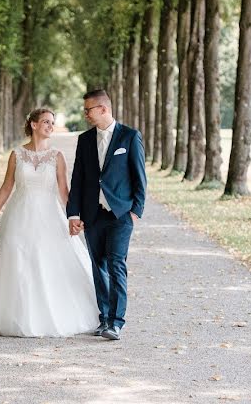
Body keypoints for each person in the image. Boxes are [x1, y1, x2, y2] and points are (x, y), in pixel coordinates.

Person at [0, 108, 99, 337]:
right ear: (34, 125)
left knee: (49, 261)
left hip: (49, 216)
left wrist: (74, 216)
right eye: (46, 122)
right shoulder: (16, 155)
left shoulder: (56, 156)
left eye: (52, 122)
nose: (50, 126)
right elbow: (7, 187)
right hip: (19, 215)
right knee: (17, 260)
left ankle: (50, 315)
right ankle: (15, 316)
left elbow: (64, 191)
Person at [67, 89, 146, 341]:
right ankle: (104, 318)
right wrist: (73, 214)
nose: (86, 114)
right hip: (92, 214)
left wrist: (135, 211)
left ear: (103, 109)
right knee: (98, 265)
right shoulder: (85, 140)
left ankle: (117, 322)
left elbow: (139, 178)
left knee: (116, 264)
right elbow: (78, 178)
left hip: (120, 214)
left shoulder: (130, 137)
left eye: (88, 109)